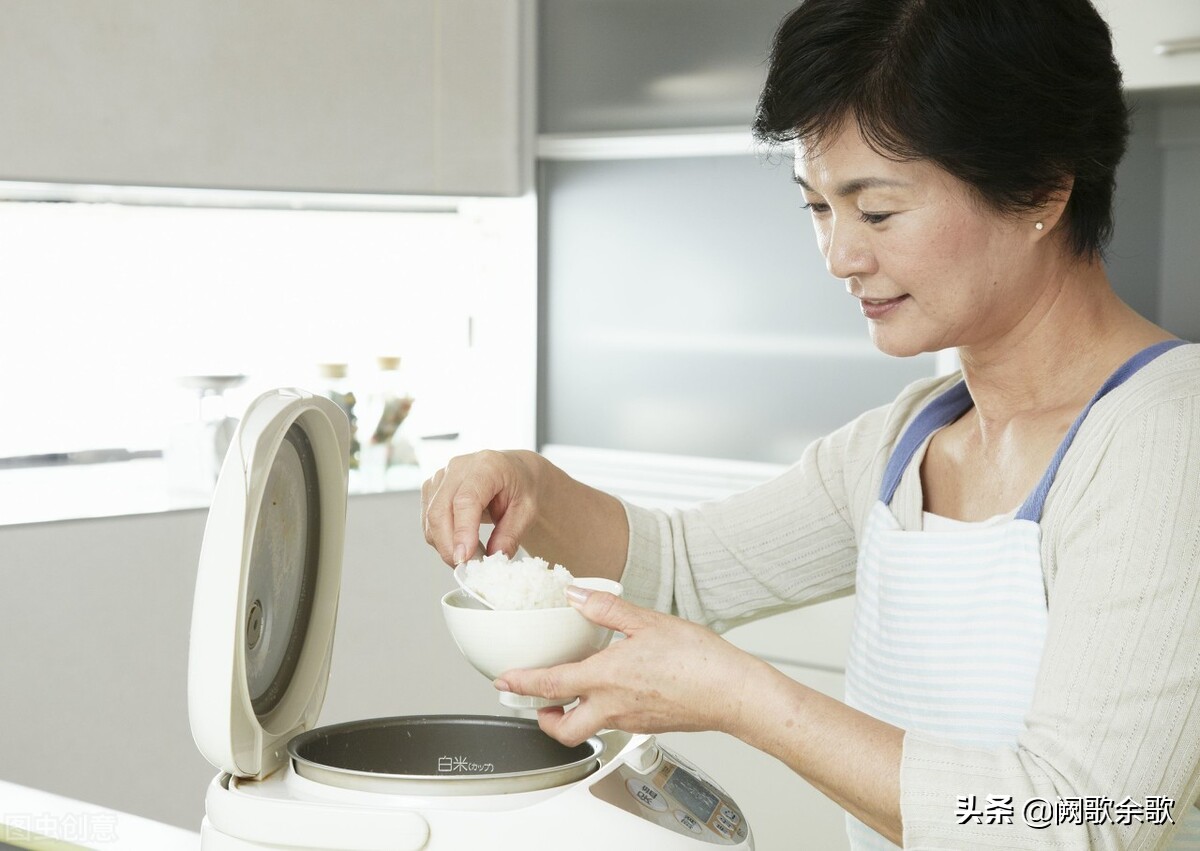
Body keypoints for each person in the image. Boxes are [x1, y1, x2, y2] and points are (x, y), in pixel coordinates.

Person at [421, 0, 1200, 846]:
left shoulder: (1167, 436)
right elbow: (679, 568)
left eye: (877, 210)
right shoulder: (910, 439)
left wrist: (747, 699)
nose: (840, 256)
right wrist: (530, 485)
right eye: (819, 208)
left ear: (1043, 186)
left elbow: (1085, 820)